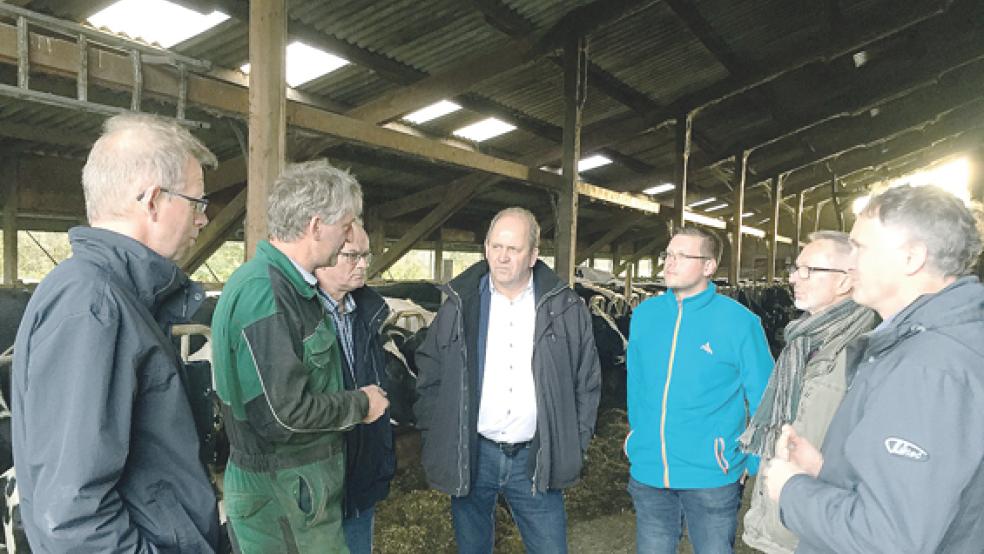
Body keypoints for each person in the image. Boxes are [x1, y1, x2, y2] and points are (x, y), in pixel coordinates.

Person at [11, 113, 220, 551]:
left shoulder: (112, 296)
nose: (203, 219)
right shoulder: (92, 305)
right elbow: (72, 516)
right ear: (154, 200)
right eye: (197, 202)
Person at [765, 184, 984, 553]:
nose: (850, 264)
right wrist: (827, 470)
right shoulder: (924, 342)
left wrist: (792, 490)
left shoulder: (928, 368)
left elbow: (888, 539)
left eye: (861, 248)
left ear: (912, 258)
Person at [211, 160, 389, 553]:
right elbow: (281, 414)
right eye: (344, 227)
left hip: (301, 491)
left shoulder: (291, 289)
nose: (348, 239)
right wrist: (360, 404)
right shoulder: (265, 292)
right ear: (315, 227)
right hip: (283, 495)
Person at [414, 207, 601, 553]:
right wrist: (436, 432)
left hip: (535, 457)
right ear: (485, 248)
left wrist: (572, 443)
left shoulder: (564, 308)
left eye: (513, 249)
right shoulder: (460, 304)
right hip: (473, 453)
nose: (502, 257)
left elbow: (586, 382)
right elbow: (431, 372)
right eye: (496, 246)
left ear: (532, 256)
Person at [625, 225, 773, 554]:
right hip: (650, 474)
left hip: (712, 475)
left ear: (709, 267)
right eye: (668, 254)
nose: (669, 262)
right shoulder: (645, 315)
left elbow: (766, 396)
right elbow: (636, 383)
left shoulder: (739, 322)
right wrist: (636, 436)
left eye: (682, 256)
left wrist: (751, 462)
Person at [739, 231, 877, 554]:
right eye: (795, 269)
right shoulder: (800, 344)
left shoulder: (865, 353)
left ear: (845, 281)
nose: (794, 279)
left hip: (825, 527)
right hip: (787, 516)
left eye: (809, 270)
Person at [314, 222, 395, 554]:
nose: (363, 264)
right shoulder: (298, 315)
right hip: (315, 486)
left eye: (366, 255)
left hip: (361, 477)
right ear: (323, 253)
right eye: (351, 255)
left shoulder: (367, 314)